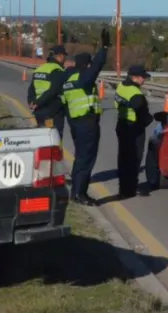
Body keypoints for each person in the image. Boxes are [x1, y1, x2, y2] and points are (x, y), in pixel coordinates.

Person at [62, 29, 110, 206]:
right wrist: (104, 49)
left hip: (75, 122)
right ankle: (80, 194)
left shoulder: (68, 78)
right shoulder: (84, 78)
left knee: (80, 158)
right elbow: (96, 67)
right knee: (86, 159)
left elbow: (64, 102)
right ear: (86, 65)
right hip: (87, 123)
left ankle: (75, 191)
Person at [114, 64, 153, 199]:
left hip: (122, 123)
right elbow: (143, 115)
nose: (144, 80)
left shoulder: (121, 86)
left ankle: (123, 187)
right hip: (134, 128)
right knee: (134, 158)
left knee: (123, 158)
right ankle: (130, 188)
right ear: (135, 77)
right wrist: (151, 119)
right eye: (143, 78)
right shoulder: (136, 94)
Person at [28, 45, 68, 139]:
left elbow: (31, 89)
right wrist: (38, 102)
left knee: (43, 138)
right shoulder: (57, 70)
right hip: (53, 111)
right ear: (60, 56)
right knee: (55, 139)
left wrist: (31, 102)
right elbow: (54, 90)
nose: (65, 59)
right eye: (64, 56)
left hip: (39, 111)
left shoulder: (39, 69)